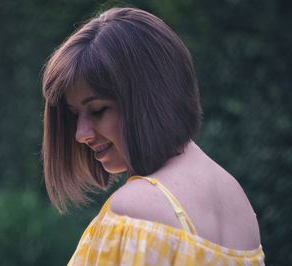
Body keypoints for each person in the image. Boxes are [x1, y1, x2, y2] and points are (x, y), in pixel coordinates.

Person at [41, 7, 265, 265]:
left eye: (98, 110)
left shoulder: (134, 212)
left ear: (149, 100)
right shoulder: (237, 201)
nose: (81, 134)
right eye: (74, 115)